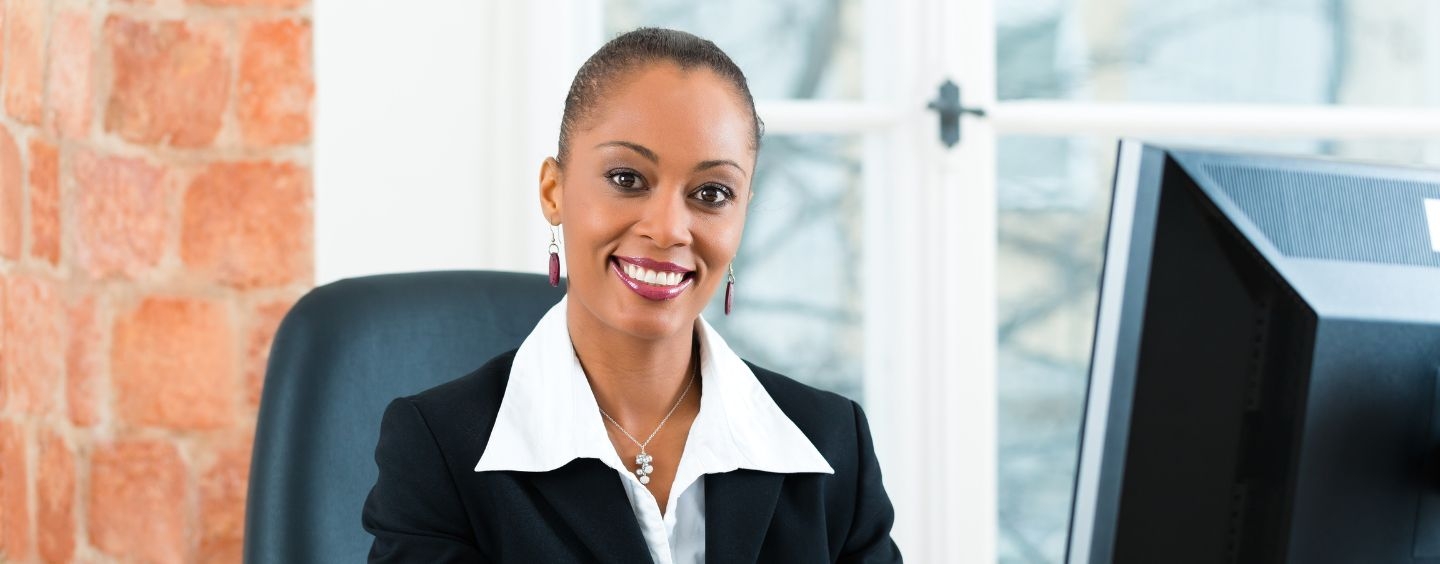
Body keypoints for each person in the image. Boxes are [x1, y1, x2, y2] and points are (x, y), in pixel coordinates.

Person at [362, 27, 901, 564]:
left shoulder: (831, 444)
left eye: (712, 193)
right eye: (627, 178)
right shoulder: (438, 450)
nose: (668, 229)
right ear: (554, 191)